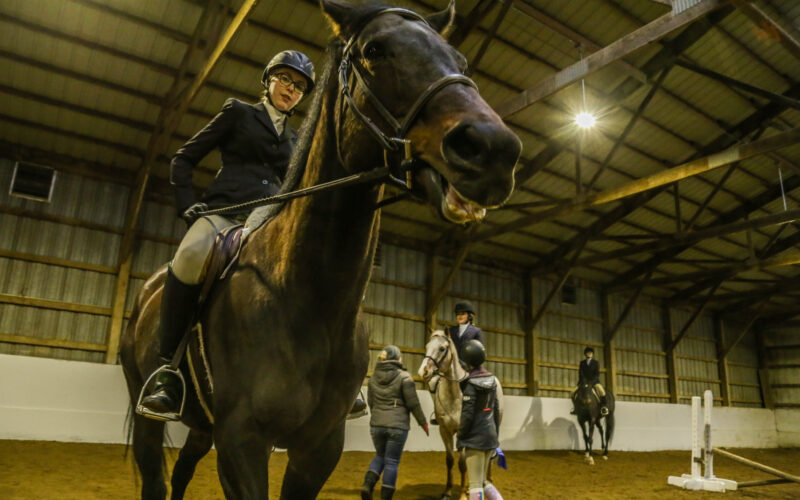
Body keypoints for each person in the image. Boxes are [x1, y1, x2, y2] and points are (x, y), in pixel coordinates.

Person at [137, 51, 319, 417]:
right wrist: (188, 204)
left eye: (299, 86)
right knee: (189, 257)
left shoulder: (299, 140)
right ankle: (167, 371)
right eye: (285, 79)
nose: (291, 89)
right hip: (225, 211)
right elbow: (183, 159)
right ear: (268, 80)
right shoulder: (239, 113)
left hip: (269, 219)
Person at [361, 345, 429, 500]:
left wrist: (379, 417)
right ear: (396, 358)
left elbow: (371, 403)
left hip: (376, 425)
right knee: (392, 461)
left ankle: (367, 485)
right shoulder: (405, 377)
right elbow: (413, 404)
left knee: (380, 456)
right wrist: (423, 422)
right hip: (397, 427)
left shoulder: (373, 378)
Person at [457, 339, 503, 500]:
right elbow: (496, 410)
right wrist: (495, 435)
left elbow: (467, 415)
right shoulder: (492, 380)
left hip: (475, 439)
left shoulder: (470, 384)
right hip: (490, 436)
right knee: (484, 481)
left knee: (475, 484)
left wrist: (461, 436)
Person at [429, 300, 485, 425]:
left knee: (478, 386)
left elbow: (479, 350)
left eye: (463, 313)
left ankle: (480, 412)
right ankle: (438, 411)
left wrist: (470, 363)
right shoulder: (450, 331)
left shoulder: (476, 332)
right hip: (452, 366)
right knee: (433, 382)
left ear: (469, 316)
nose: (459, 316)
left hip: (470, 366)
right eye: (458, 314)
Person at [571, 346, 609, 416]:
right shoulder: (582, 363)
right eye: (588, 353)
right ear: (585, 354)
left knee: (602, 391)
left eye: (590, 353)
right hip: (583, 382)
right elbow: (581, 373)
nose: (589, 354)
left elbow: (597, 374)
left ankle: (604, 407)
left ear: (592, 354)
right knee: (572, 392)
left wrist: (591, 382)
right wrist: (584, 381)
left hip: (594, 382)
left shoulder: (596, 363)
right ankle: (575, 408)